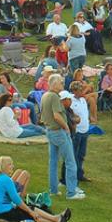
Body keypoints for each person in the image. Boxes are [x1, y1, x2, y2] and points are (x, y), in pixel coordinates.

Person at [0, 155, 68, 222]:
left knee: (30, 210)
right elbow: (16, 199)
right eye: (10, 164)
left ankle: (57, 218)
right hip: (3, 212)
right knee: (31, 212)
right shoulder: (6, 180)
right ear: (4, 167)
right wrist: (30, 212)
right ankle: (56, 219)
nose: (12, 166)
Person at [41, 72, 83, 201]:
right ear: (54, 84)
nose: (62, 84)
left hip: (49, 131)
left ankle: (53, 189)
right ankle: (71, 192)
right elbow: (57, 115)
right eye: (60, 82)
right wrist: (66, 127)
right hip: (58, 132)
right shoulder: (54, 97)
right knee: (70, 162)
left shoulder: (45, 95)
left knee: (53, 161)